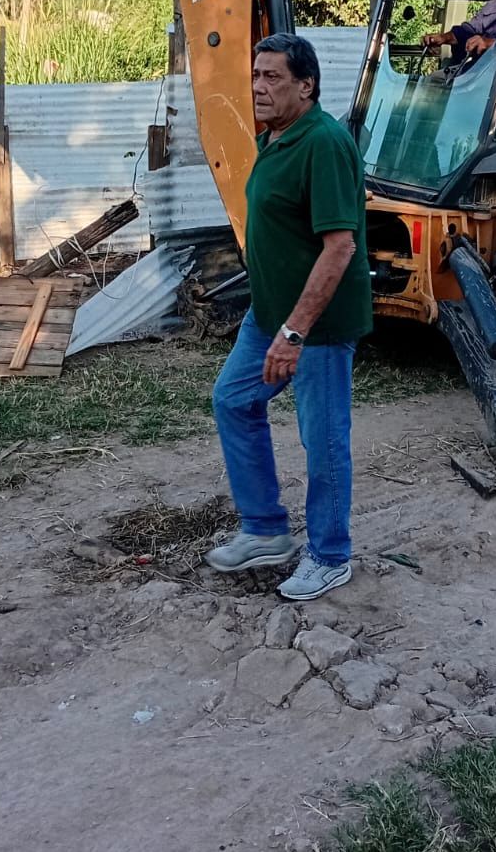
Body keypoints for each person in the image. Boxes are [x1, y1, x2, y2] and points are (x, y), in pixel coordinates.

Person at [204, 33, 372, 602]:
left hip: (314, 327)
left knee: (323, 438)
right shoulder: (277, 138)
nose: (257, 87)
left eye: (272, 77)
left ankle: (329, 555)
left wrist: (295, 332)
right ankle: (266, 530)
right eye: (255, 75)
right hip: (268, 315)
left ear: (307, 84)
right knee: (233, 400)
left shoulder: (323, 142)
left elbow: (339, 247)